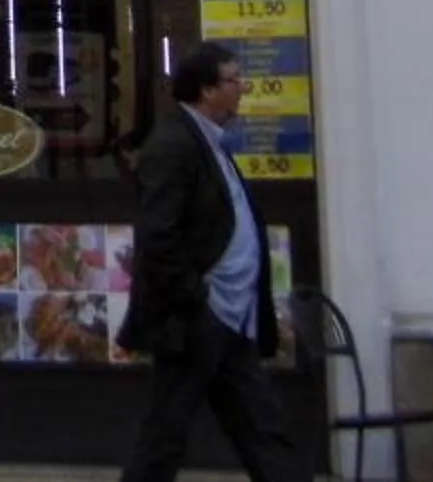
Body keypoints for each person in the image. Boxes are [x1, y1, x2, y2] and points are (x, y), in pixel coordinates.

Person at [112, 44, 304, 482]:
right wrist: (194, 297)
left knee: (262, 425)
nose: (243, 89)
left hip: (229, 317)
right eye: (234, 80)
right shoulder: (174, 145)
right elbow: (160, 234)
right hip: (199, 317)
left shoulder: (210, 142)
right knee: (165, 434)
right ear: (207, 90)